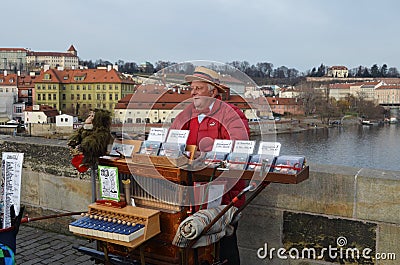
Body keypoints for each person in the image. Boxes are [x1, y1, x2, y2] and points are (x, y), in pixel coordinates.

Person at [170, 66, 250, 265]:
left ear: (213, 92)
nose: (193, 92)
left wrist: (203, 155)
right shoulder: (186, 114)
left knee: (224, 247)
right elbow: (171, 139)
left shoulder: (231, 114)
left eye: (198, 88)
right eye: (192, 88)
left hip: (225, 194)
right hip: (193, 194)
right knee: (195, 249)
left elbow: (238, 147)